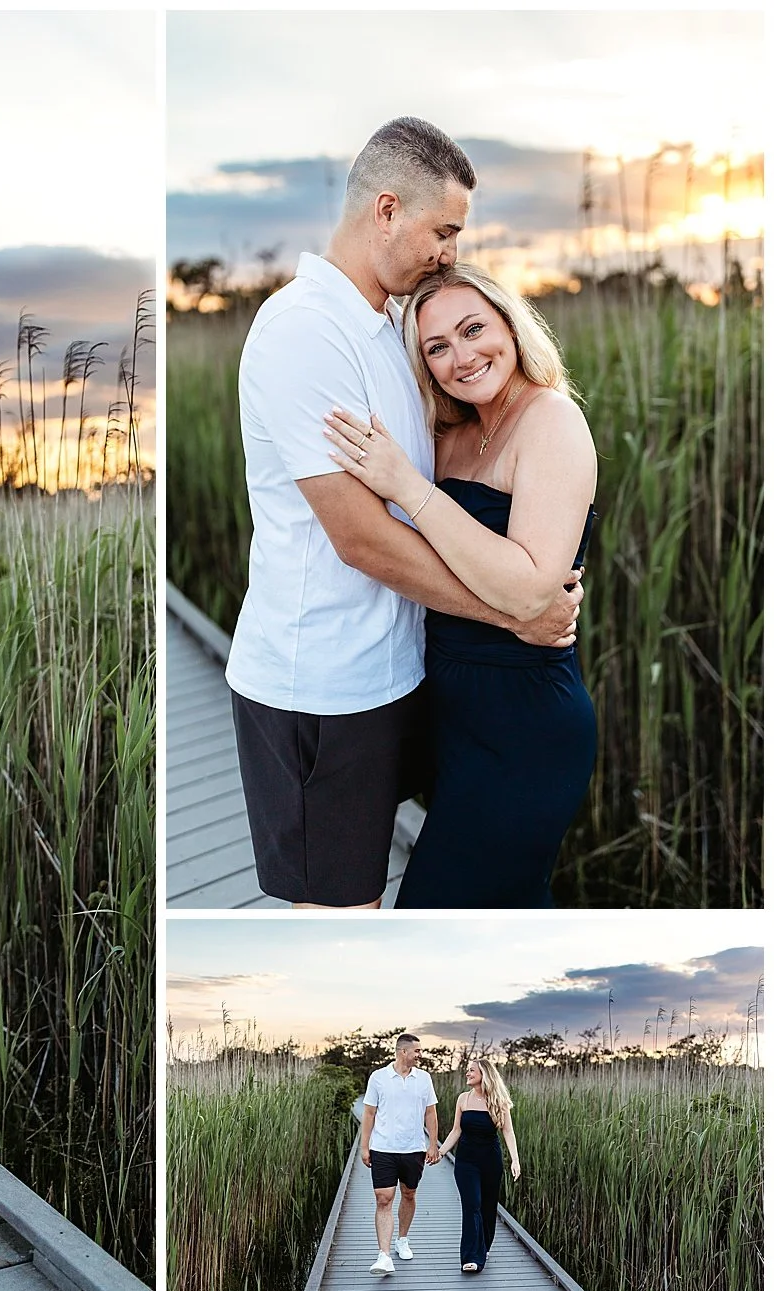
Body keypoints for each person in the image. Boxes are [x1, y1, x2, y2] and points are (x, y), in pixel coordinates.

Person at [228, 116, 582, 909]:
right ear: (386, 210)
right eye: (443, 230)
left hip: (396, 674)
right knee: (338, 921)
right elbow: (359, 538)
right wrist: (514, 613)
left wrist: (537, 567)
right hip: (320, 687)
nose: (451, 252)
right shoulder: (302, 333)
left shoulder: (394, 325)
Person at [324, 263, 598, 906]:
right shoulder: (450, 434)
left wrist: (409, 487)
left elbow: (532, 589)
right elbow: (429, 564)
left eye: (474, 329)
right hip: (451, 711)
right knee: (504, 912)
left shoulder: (551, 421)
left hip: (525, 721)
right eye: (437, 348)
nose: (462, 357)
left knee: (434, 913)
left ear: (510, 322)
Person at [360, 1033, 439, 1276]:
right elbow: (369, 1114)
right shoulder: (379, 1078)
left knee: (409, 1193)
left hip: (413, 1148)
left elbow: (430, 1114)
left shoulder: (423, 1079)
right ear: (403, 1051)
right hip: (383, 1148)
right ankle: (383, 1255)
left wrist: (433, 1144)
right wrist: (365, 1147)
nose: (420, 1054)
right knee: (383, 1199)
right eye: (417, 1051)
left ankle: (402, 1239)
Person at [433, 1058, 520, 1273]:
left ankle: (485, 1245)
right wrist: (441, 1152)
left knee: (487, 1207)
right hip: (466, 1161)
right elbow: (456, 1130)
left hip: (491, 1160)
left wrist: (515, 1160)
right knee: (472, 1205)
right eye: (467, 1070)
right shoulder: (463, 1099)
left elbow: (508, 1131)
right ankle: (472, 1257)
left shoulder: (498, 1101)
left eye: (471, 1070)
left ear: (484, 1074)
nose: (467, 1073)